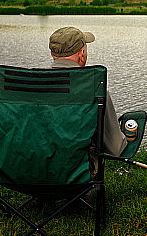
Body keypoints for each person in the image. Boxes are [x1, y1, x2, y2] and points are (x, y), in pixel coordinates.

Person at [49, 26, 127, 157]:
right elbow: (115, 150)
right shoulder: (94, 90)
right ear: (82, 53)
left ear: (52, 54)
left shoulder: (30, 86)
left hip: (31, 168)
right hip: (79, 172)